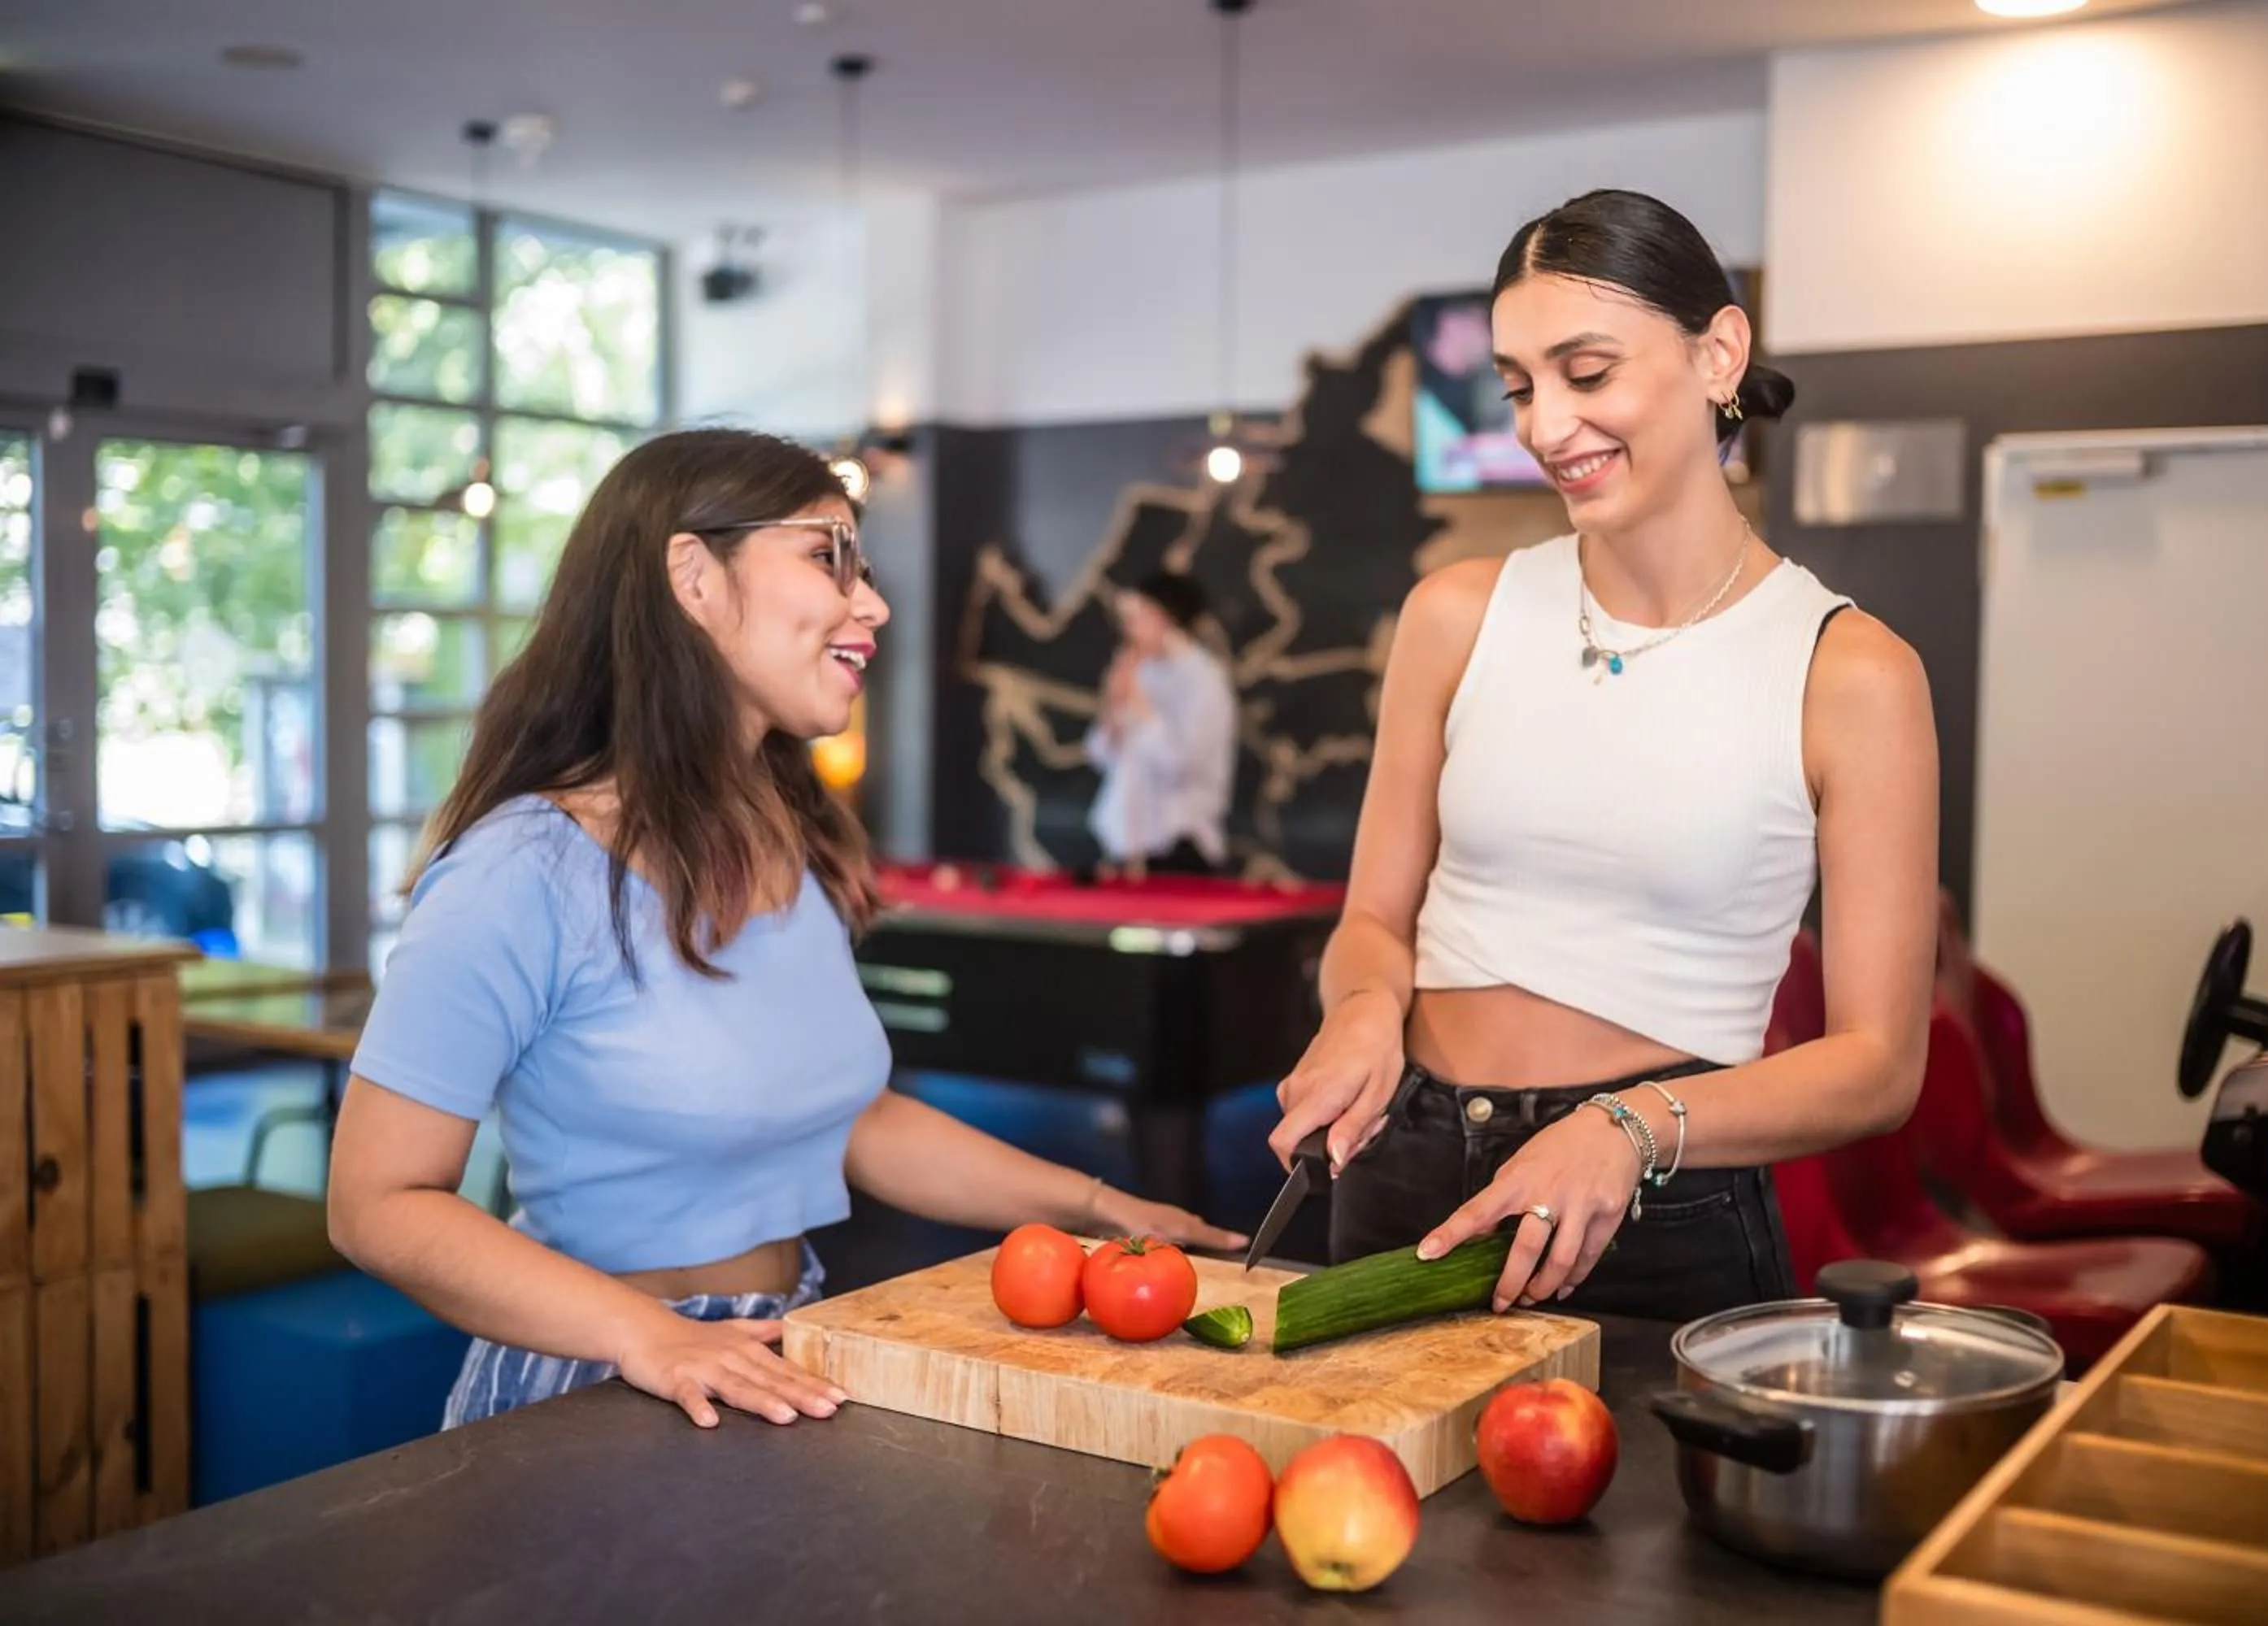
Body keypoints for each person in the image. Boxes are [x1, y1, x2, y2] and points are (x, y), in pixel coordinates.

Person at [328, 428, 1242, 1431]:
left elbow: (854, 1117)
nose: (875, 604)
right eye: (827, 555)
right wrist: (646, 1332)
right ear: (695, 576)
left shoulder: (785, 834)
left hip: (778, 1353)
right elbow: (378, 1200)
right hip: (599, 1382)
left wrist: (1100, 1208)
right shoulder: (520, 867)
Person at [1269, 190, 1939, 1324]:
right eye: (1520, 387)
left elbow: (1878, 1063)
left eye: (1587, 374)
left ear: (1719, 352)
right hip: (1403, 1166)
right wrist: (1363, 1012)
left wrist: (1629, 1126)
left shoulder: (1851, 672)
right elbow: (1374, 924)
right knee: (1359, 1503)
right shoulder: (1456, 613)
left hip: (1653, 1204)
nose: (1542, 427)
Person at [1085, 570, 1238, 877]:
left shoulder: (1205, 680)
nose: (1129, 629)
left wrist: (1142, 706)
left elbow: (1181, 765)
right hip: (1125, 845)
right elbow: (1100, 755)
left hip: (1180, 848)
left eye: (1138, 617)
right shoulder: (1140, 671)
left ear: (1165, 619)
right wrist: (1114, 705)